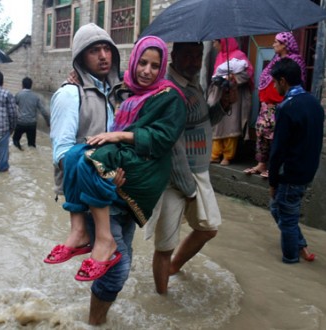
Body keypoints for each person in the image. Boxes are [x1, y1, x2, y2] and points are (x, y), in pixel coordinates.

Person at [55, 36, 186, 284]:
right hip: (106, 183)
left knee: (117, 269)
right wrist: (75, 79)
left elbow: (163, 138)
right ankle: (79, 232)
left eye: (155, 66)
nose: (147, 71)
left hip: (134, 169)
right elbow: (62, 151)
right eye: (142, 63)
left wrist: (118, 135)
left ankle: (103, 240)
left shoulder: (165, 95)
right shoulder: (121, 88)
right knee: (74, 155)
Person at [46, 23, 130, 325]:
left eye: (107, 48)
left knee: (119, 258)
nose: (104, 55)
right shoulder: (70, 95)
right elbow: (62, 153)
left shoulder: (117, 93)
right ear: (80, 58)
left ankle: (98, 316)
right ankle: (94, 323)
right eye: (94, 50)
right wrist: (101, 172)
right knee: (118, 267)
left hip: (121, 190)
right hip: (92, 194)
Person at [145, 42, 237, 295]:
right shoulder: (169, 90)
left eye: (198, 56)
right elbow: (171, 145)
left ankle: (174, 267)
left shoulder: (194, 83)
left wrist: (224, 105)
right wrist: (187, 186)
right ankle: (162, 299)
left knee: (208, 229)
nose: (194, 61)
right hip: (173, 177)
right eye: (188, 56)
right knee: (164, 245)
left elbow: (204, 121)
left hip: (198, 172)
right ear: (174, 56)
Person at [268, 58, 324, 263]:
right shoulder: (314, 103)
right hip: (307, 170)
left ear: (283, 81)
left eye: (275, 82)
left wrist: (273, 181)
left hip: (291, 173)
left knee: (288, 218)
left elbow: (278, 150)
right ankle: (300, 246)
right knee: (277, 208)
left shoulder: (287, 107)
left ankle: (291, 259)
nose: (274, 86)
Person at [244, 32, 307, 178]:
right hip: (267, 106)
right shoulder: (275, 60)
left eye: (276, 42)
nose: (273, 45)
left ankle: (274, 167)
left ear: (285, 44)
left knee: (277, 136)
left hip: (282, 106)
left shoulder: (295, 62)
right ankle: (261, 164)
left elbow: (297, 82)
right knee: (261, 134)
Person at [208, 38, 254, 166]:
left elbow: (247, 74)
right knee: (217, 124)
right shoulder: (219, 57)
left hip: (233, 94)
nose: (213, 45)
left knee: (230, 124)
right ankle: (215, 154)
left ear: (222, 42)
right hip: (219, 93)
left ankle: (228, 156)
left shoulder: (239, 56)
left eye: (215, 42)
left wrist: (233, 77)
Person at [13, 77, 47, 150]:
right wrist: (48, 121)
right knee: (32, 145)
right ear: (31, 85)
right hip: (32, 124)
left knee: (15, 140)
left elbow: (11, 106)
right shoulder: (35, 97)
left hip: (21, 123)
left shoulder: (18, 95)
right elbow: (43, 111)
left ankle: (20, 151)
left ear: (22, 85)